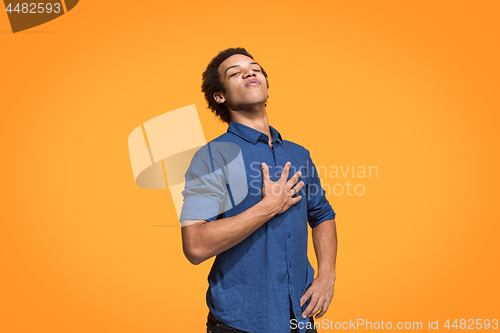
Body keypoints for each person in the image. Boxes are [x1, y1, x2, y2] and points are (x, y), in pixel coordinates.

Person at [179, 47, 337, 333]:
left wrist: (327, 274)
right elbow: (195, 246)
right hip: (240, 324)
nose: (249, 72)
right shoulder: (212, 157)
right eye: (235, 73)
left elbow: (322, 214)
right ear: (220, 96)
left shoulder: (298, 154)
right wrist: (267, 208)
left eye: (255, 68)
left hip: (300, 321)